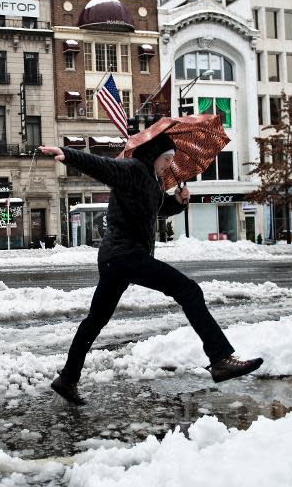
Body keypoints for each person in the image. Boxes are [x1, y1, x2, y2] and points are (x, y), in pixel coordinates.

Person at [38, 135, 263, 406]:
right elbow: (104, 166)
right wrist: (68, 154)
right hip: (125, 255)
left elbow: (158, 207)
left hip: (116, 258)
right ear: (154, 155)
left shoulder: (153, 181)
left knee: (95, 320)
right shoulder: (133, 169)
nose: (168, 165)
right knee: (188, 290)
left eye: (171, 161)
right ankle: (220, 358)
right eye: (166, 159)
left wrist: (178, 202)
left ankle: (67, 379)